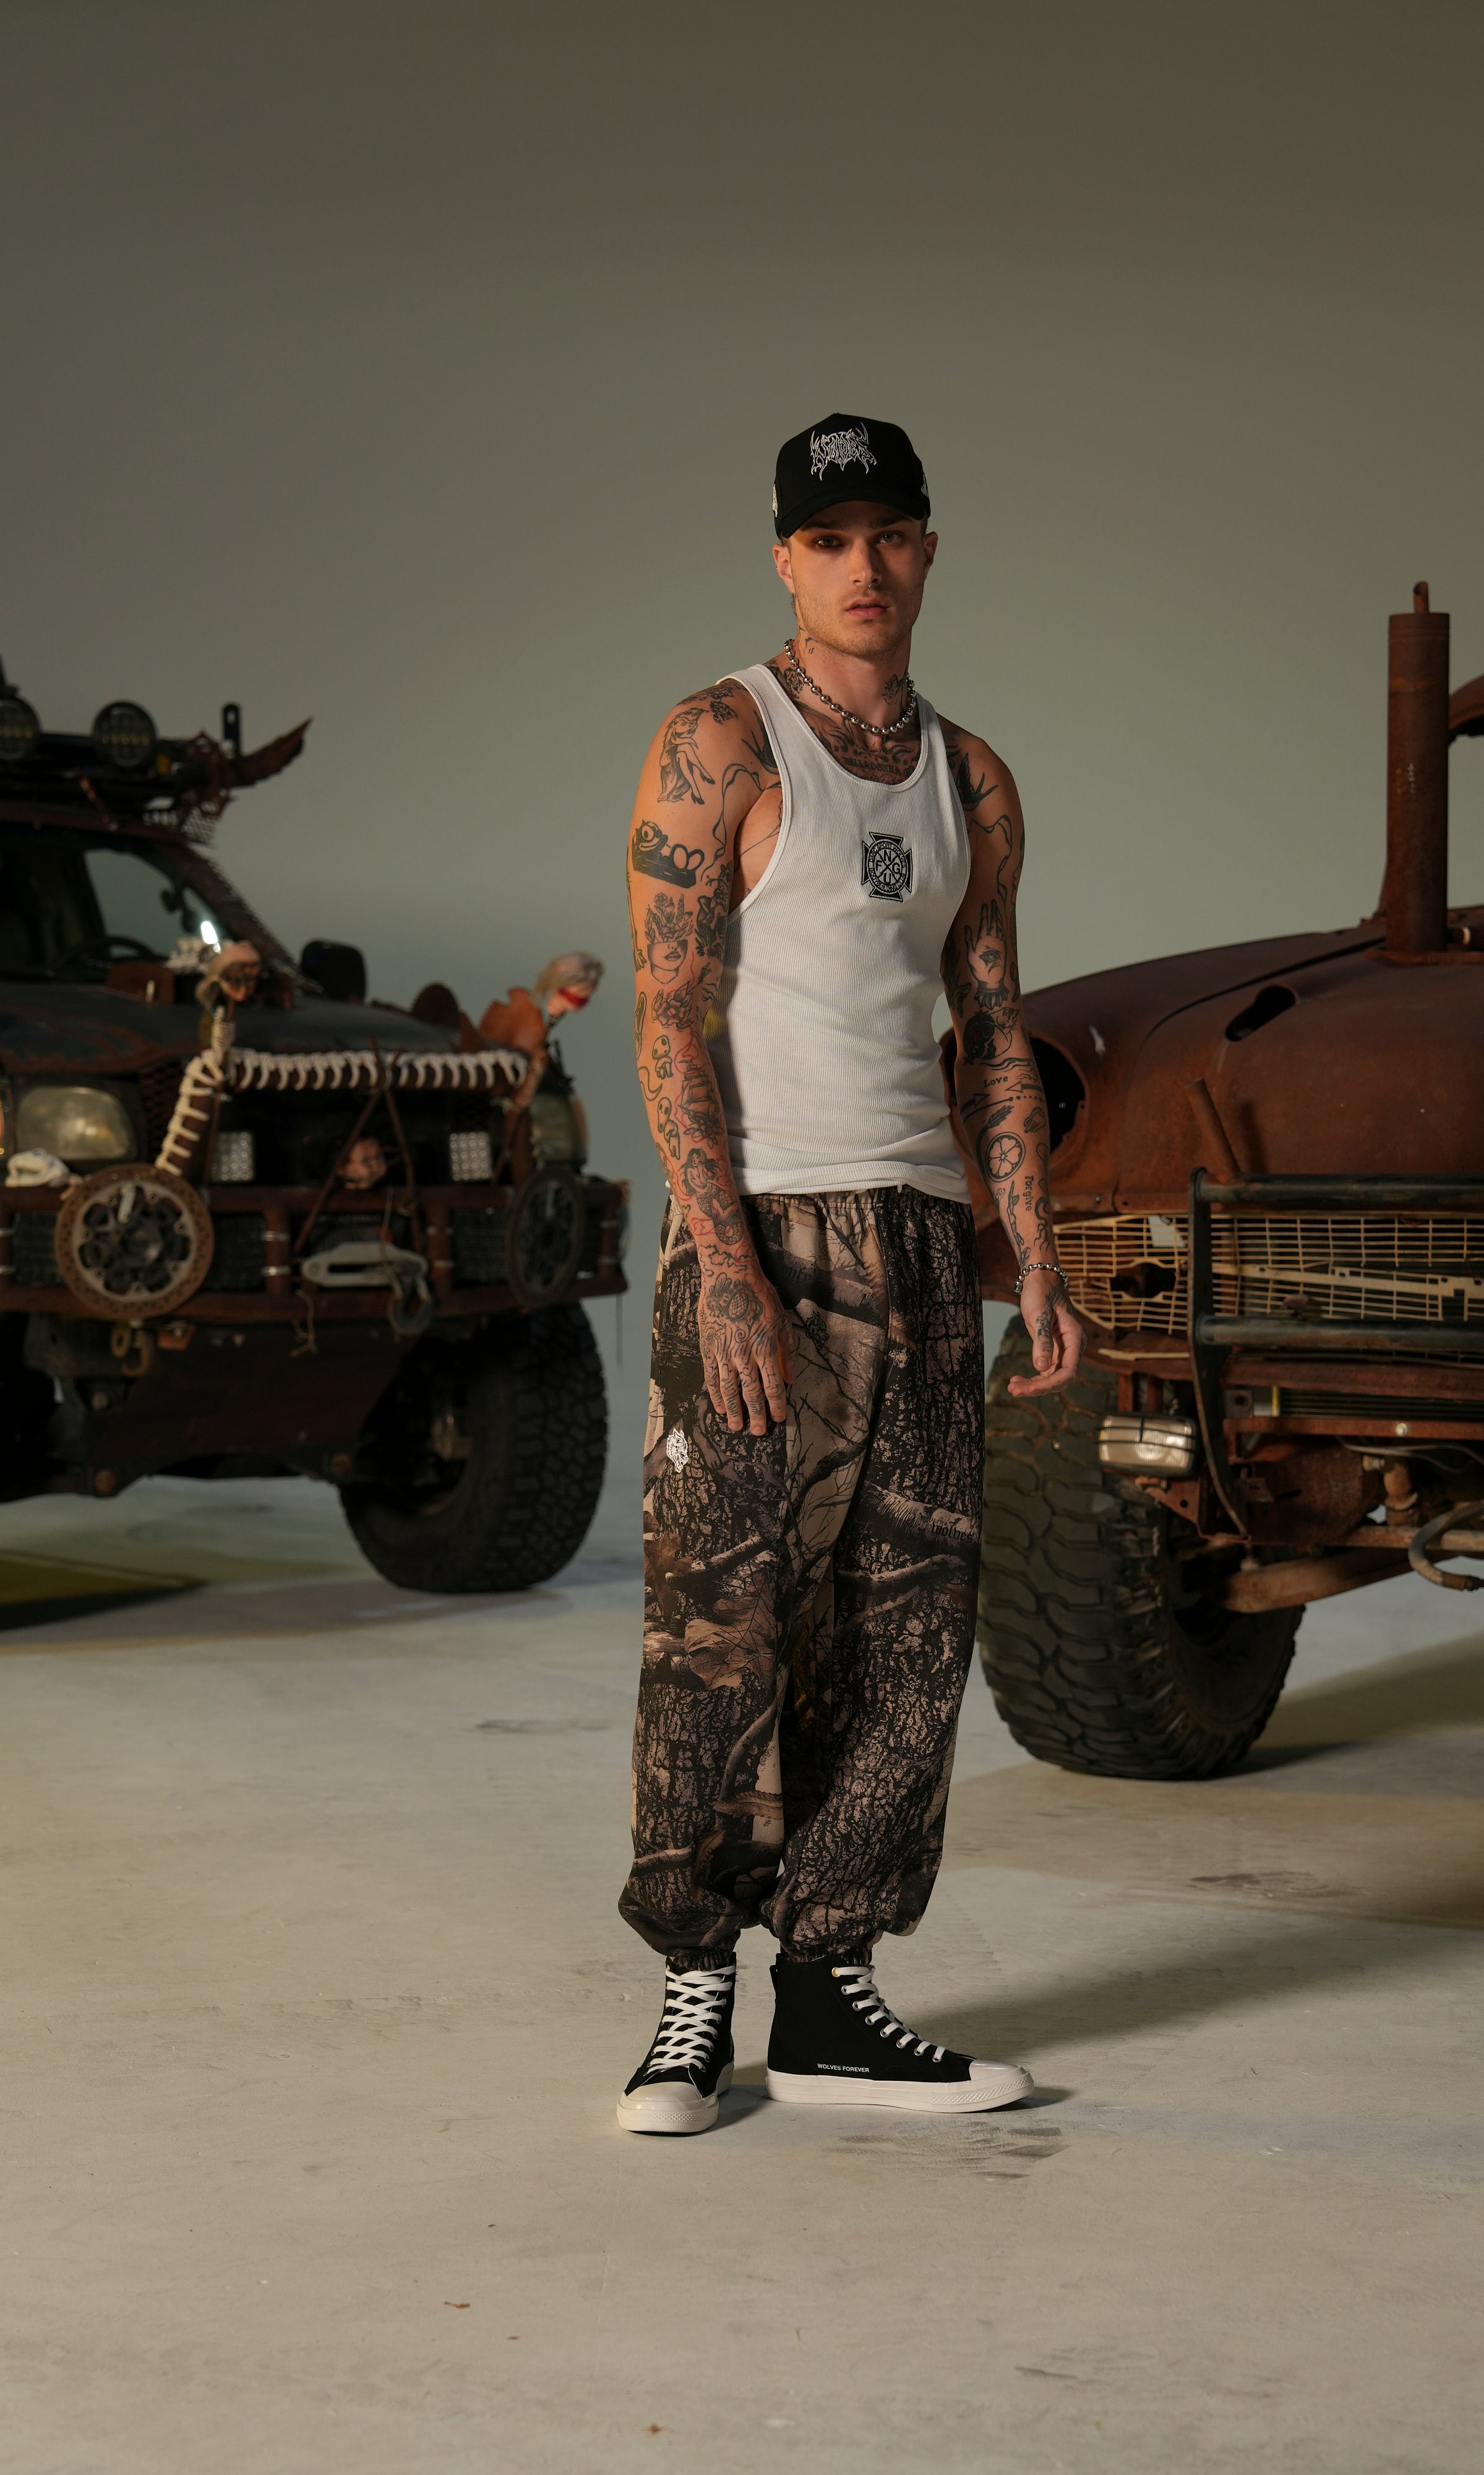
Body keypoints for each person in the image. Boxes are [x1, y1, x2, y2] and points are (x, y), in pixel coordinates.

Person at [617, 414, 1081, 2134]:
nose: (862, 566)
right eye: (829, 539)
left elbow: (993, 1029)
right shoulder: (720, 741)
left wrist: (1033, 1256)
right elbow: (668, 1017)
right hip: (762, 1232)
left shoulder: (973, 780)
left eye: (889, 533)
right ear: (784, 560)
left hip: (921, 1237)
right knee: (722, 1622)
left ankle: (828, 1993)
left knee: (907, 1629)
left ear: (929, 551)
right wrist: (725, 1266)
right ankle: (691, 1993)